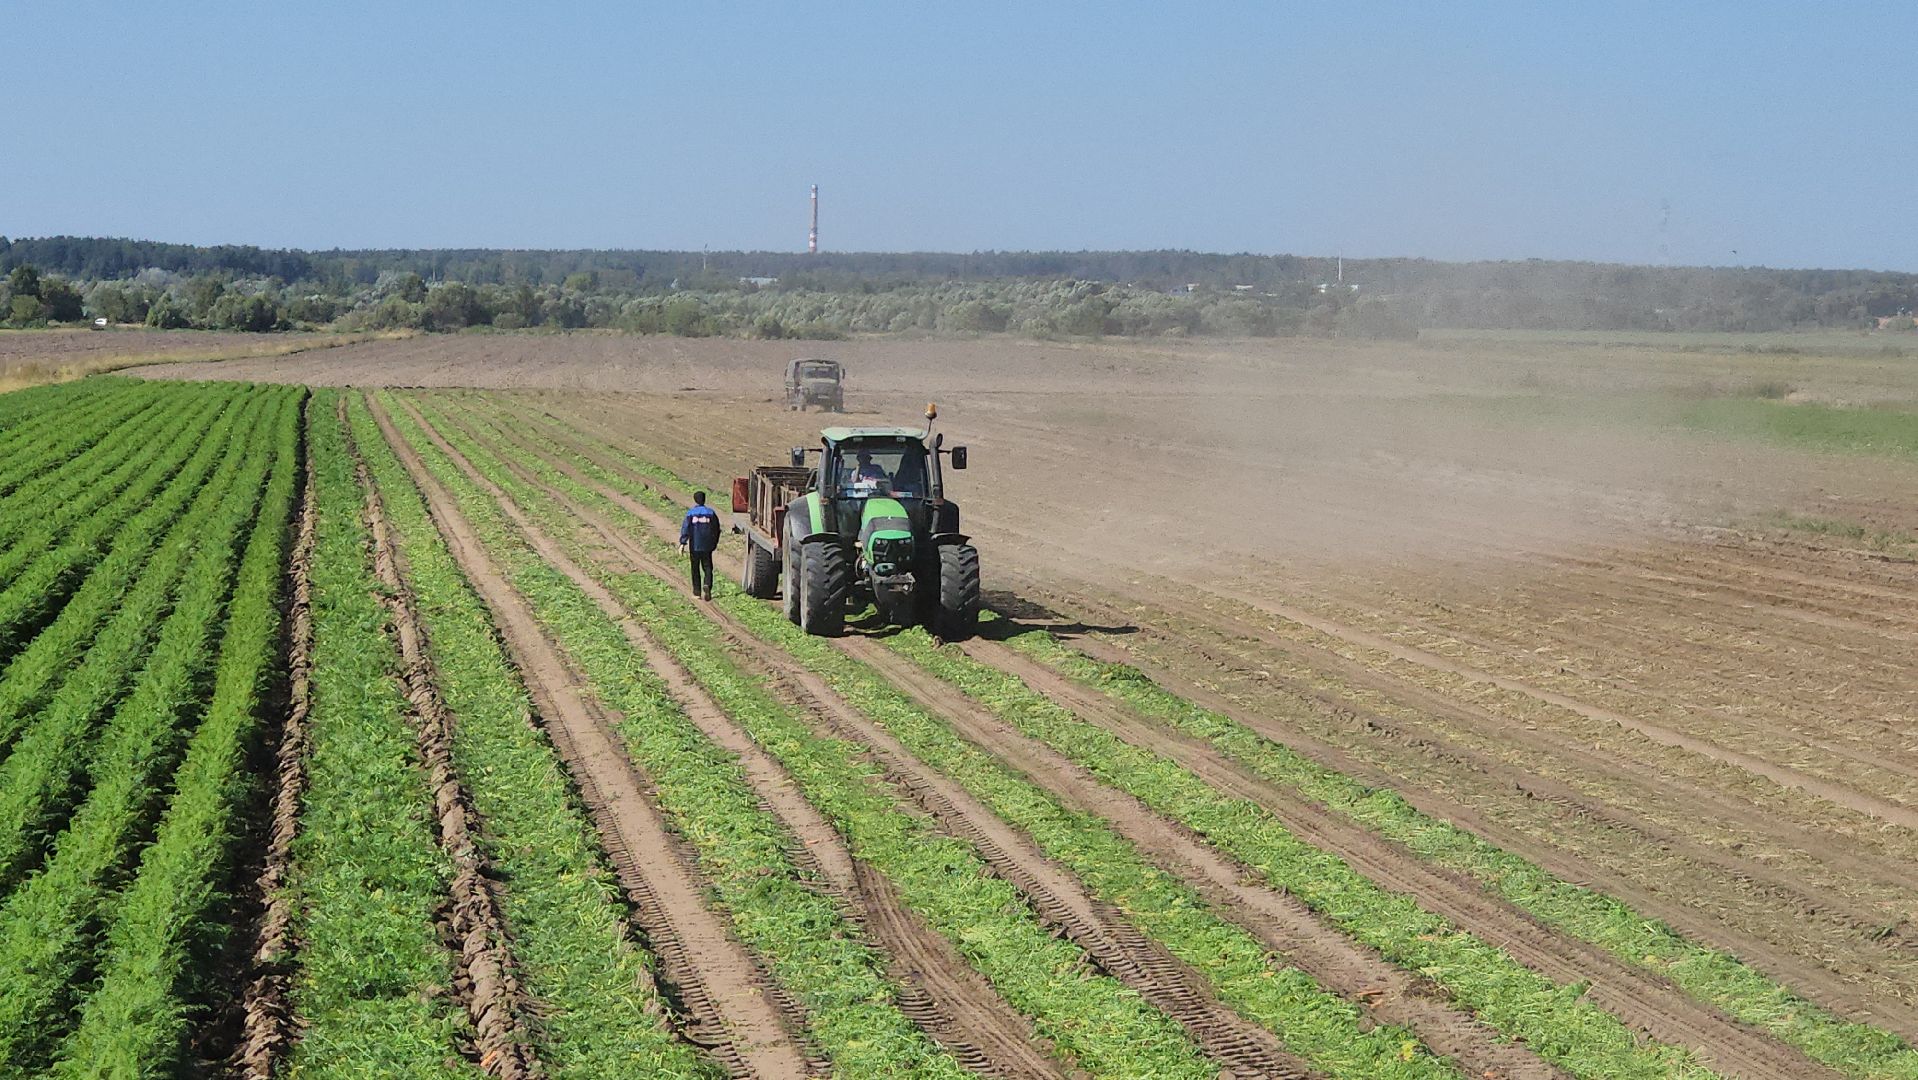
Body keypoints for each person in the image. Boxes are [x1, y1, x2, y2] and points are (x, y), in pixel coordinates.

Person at [678, 490, 721, 600]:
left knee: (695, 568)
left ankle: (697, 592)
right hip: (707, 545)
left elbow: (686, 528)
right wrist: (714, 542)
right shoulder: (711, 513)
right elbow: (717, 529)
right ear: (704, 500)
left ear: (695, 500)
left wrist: (682, 543)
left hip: (694, 545)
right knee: (707, 567)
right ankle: (707, 584)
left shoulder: (690, 513)